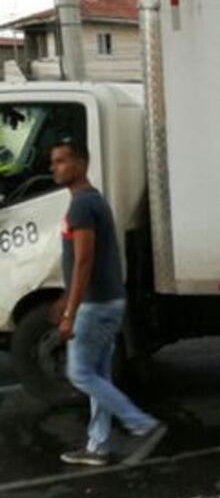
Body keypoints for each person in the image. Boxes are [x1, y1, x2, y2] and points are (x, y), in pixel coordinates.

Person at [51, 139, 167, 466]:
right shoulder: (92, 201)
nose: (54, 167)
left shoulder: (82, 206)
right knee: (99, 375)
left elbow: (85, 260)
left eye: (61, 161)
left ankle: (141, 423)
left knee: (79, 373)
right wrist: (65, 298)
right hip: (107, 300)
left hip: (95, 305)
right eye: (53, 162)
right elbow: (83, 261)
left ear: (80, 164)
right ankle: (97, 446)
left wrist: (70, 313)